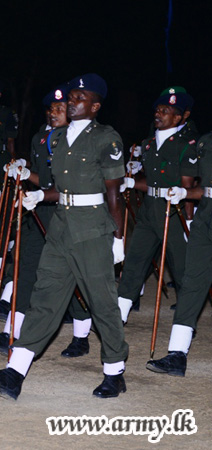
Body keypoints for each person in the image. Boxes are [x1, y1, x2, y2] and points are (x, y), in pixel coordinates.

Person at [0, 74, 129, 400]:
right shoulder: (57, 139)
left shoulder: (106, 139)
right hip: (60, 228)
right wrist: (40, 196)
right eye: (70, 97)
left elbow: (114, 194)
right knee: (44, 298)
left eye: (79, 98)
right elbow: (61, 188)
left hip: (92, 230)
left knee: (102, 303)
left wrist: (118, 239)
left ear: (96, 106)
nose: (72, 102)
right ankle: (14, 374)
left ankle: (115, 372)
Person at [0, 86, 92, 357]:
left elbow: (64, 183)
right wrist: (25, 171)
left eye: (60, 108)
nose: (54, 112)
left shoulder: (77, 139)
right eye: (51, 108)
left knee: (71, 277)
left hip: (68, 215)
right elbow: (43, 176)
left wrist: (35, 183)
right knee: (26, 270)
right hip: (39, 212)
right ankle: (11, 334)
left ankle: (82, 335)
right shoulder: (41, 137)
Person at [117, 92, 197, 323]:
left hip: (173, 212)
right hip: (149, 210)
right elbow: (151, 183)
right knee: (134, 260)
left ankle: (186, 318)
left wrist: (188, 222)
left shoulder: (185, 146)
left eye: (166, 111)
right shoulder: (148, 144)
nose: (158, 114)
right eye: (158, 110)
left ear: (179, 117)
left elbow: (187, 187)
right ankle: (119, 314)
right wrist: (132, 182)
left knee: (181, 267)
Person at [146, 130, 211, 376]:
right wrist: (186, 194)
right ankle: (177, 354)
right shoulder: (205, 142)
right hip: (206, 217)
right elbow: (205, 187)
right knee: (192, 282)